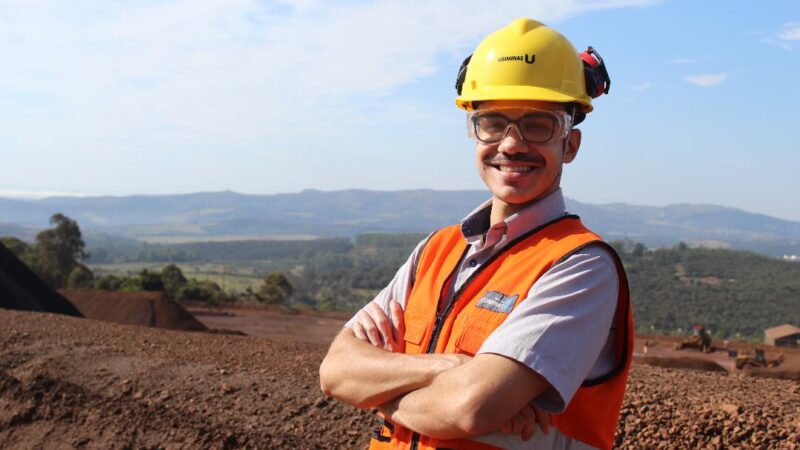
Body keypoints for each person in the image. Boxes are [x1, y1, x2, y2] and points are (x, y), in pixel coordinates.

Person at [319, 18, 633, 450]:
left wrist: (379, 389)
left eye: (538, 125)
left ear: (571, 145)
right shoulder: (436, 250)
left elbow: (470, 408)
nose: (510, 144)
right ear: (474, 132)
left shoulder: (581, 266)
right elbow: (336, 371)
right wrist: (447, 368)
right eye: (492, 122)